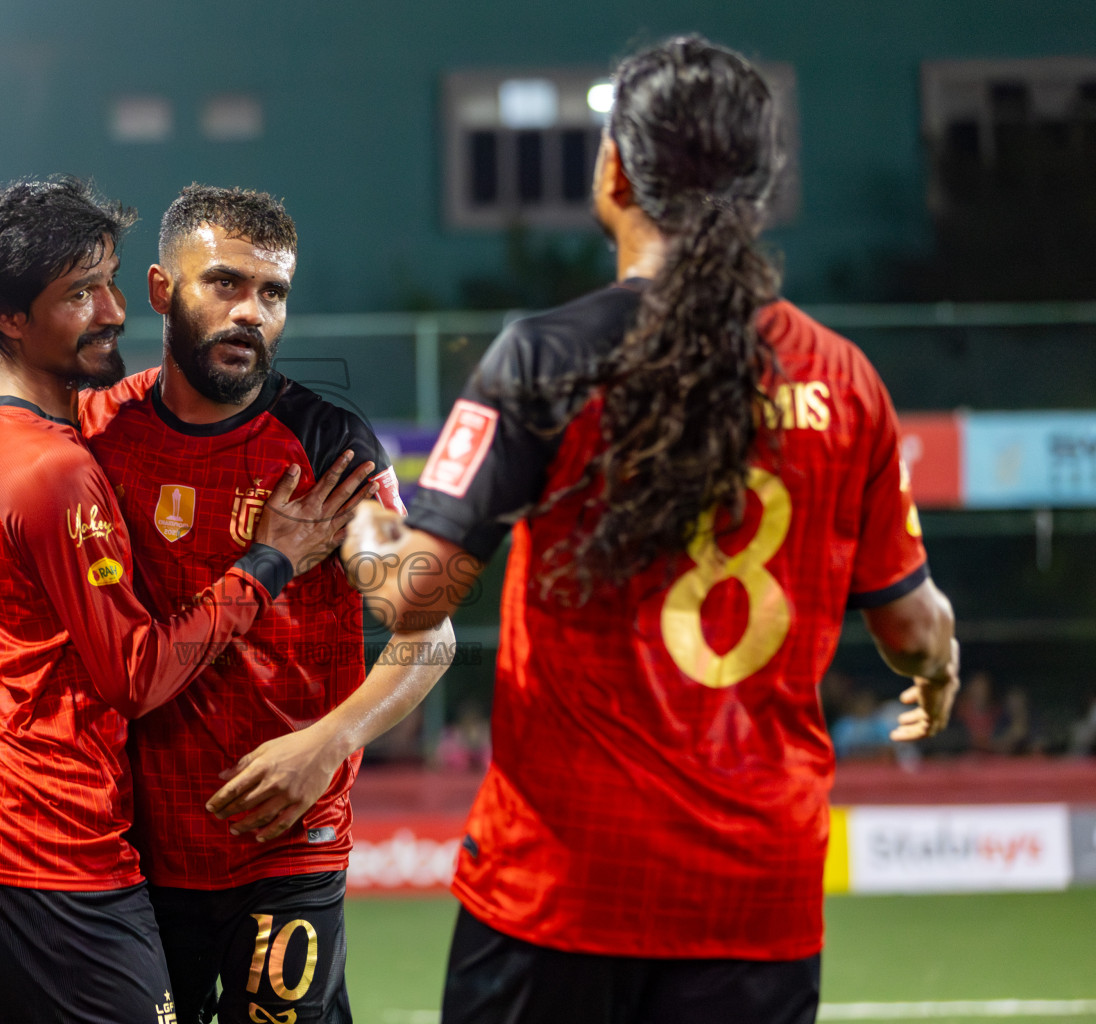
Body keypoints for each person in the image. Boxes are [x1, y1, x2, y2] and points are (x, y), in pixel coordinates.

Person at [341, 36, 960, 1024]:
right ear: (761, 190)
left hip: (561, 888)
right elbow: (916, 629)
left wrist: (361, 525)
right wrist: (936, 678)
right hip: (756, 900)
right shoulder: (845, 382)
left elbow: (414, 591)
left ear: (617, 168)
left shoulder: (548, 355)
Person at [0, 184, 454, 1024]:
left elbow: (431, 633)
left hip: (287, 844)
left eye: (272, 292)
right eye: (224, 283)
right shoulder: (93, 428)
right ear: (160, 291)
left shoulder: (331, 446)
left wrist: (330, 741)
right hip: (137, 853)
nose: (251, 312)